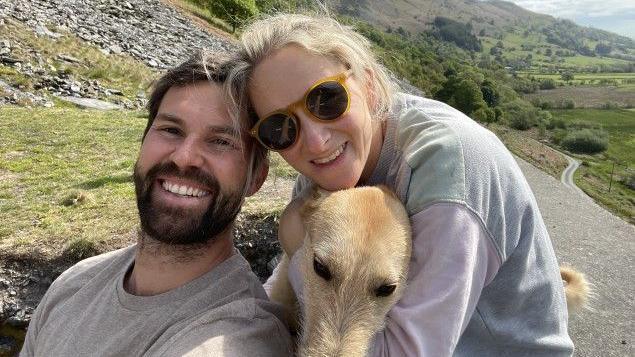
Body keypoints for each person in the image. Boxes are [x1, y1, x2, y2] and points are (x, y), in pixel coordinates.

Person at [228, 13, 574, 356]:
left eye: (327, 100)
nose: (316, 141)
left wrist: (297, 244)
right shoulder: (324, 166)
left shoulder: (451, 167)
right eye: (279, 127)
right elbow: (289, 294)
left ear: (368, 84)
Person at [20, 51, 293, 357]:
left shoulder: (242, 337)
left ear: (256, 177)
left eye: (221, 141)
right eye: (171, 130)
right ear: (143, 142)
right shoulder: (76, 281)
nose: (184, 157)